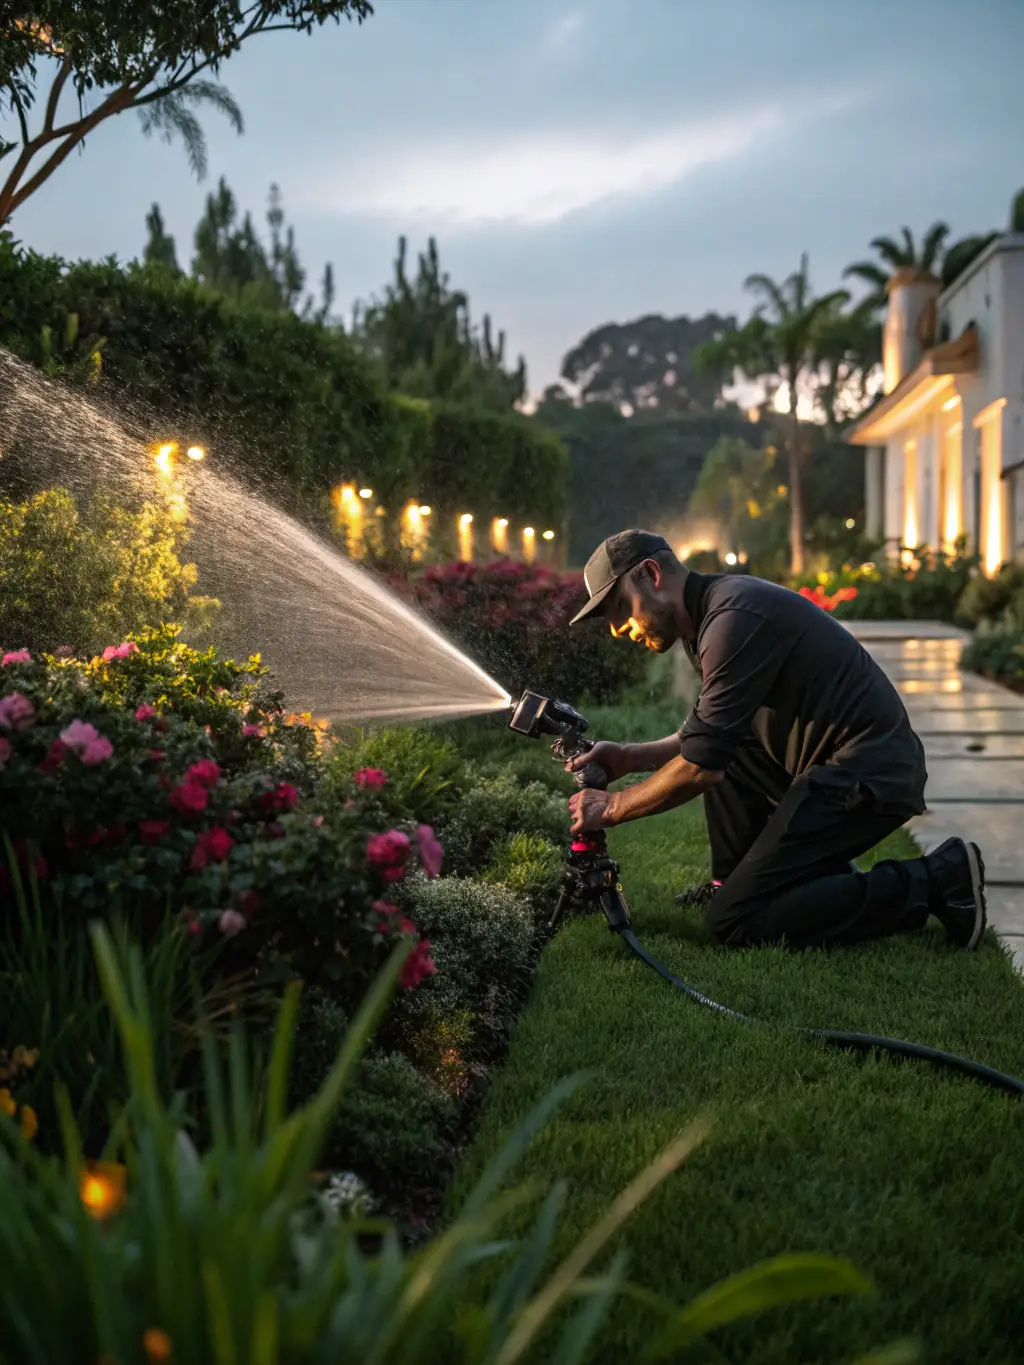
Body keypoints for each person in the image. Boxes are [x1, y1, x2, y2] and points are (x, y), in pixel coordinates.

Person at [565, 529, 986, 951]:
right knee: (730, 750)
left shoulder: (732, 619)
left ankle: (937, 879)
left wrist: (613, 807)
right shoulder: (711, 615)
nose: (618, 629)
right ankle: (738, 882)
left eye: (620, 608)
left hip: (868, 775)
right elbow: (705, 736)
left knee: (733, 923)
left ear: (651, 573)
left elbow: (700, 767)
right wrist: (626, 757)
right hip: (833, 771)